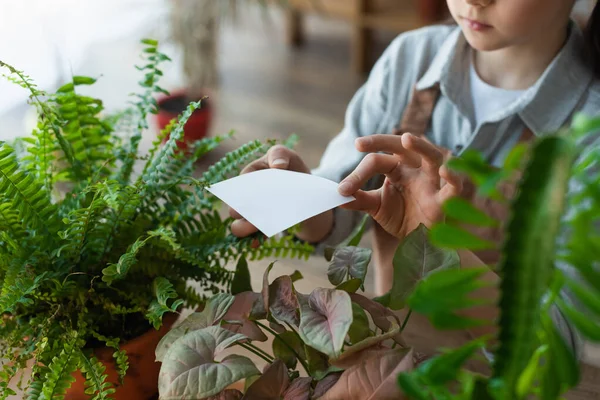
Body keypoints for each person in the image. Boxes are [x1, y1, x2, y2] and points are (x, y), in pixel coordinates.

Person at [230, 0, 600, 358]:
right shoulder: (410, 59)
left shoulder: (590, 133)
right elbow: (343, 209)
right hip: (390, 360)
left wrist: (445, 248)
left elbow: (559, 342)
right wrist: (301, 197)